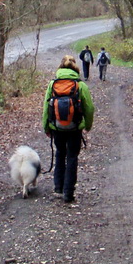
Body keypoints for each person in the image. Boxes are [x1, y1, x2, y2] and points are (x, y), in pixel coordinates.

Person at [42, 55, 94, 203]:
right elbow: (89, 108)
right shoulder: (80, 85)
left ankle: (58, 186)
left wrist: (46, 126)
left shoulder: (52, 84)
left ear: (60, 67)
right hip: (75, 128)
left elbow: (46, 108)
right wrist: (87, 125)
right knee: (72, 157)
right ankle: (68, 192)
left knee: (60, 153)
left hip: (57, 127)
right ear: (75, 67)